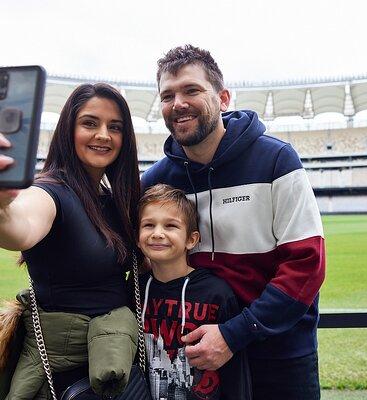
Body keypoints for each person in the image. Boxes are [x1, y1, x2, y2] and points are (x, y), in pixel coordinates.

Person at [141, 44, 326, 400]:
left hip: (278, 353)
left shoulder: (276, 160)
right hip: (193, 356)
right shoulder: (156, 182)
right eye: (167, 95)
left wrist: (234, 333)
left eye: (191, 90)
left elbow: (307, 265)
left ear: (223, 98)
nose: (178, 103)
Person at [0, 83, 141, 398]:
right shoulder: (51, 191)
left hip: (113, 366)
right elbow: (20, 226)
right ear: (68, 130)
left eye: (114, 127)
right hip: (64, 377)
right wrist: (2, 206)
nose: (103, 134)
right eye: (90, 123)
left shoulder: (113, 199)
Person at [137, 184, 252, 400]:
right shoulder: (134, 290)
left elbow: (235, 371)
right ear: (137, 236)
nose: (158, 233)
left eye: (170, 226)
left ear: (192, 239)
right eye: (149, 225)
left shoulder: (216, 293)